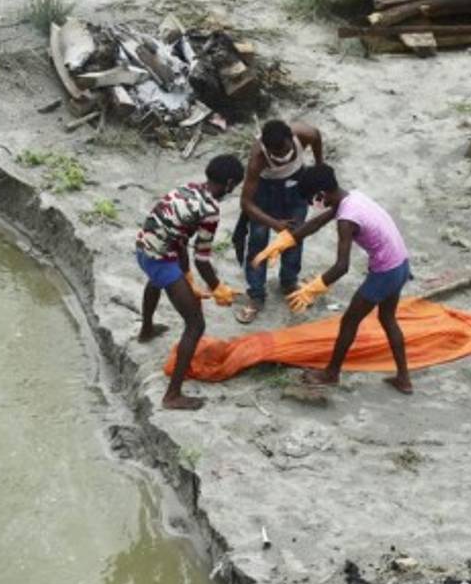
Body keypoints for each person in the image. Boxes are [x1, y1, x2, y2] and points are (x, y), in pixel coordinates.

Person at [254, 163, 412, 394]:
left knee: (349, 321)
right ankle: (404, 378)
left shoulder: (346, 219)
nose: (312, 205)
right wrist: (285, 241)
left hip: (385, 272)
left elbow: (342, 266)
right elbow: (316, 223)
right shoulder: (351, 198)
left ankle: (331, 373)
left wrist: (313, 288)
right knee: (387, 318)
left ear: (322, 194)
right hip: (401, 263)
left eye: (312, 199)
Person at [135, 154, 244, 410]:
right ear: (229, 183)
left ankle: (146, 330)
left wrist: (186, 274)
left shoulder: (189, 189)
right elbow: (203, 258)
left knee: (155, 282)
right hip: (161, 259)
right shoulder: (210, 210)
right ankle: (172, 395)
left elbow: (179, 234)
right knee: (195, 324)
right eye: (234, 186)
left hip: (143, 247)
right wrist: (218, 288)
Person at [235, 118, 324, 324]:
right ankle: (256, 294)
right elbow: (246, 203)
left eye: (284, 149)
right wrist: (273, 223)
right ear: (266, 149)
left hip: (296, 186)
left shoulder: (305, 133)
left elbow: (317, 137)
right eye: (275, 153)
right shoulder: (258, 159)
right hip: (265, 193)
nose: (282, 155)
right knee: (258, 242)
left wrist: (319, 166)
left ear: (291, 138)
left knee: (294, 236)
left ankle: (289, 283)